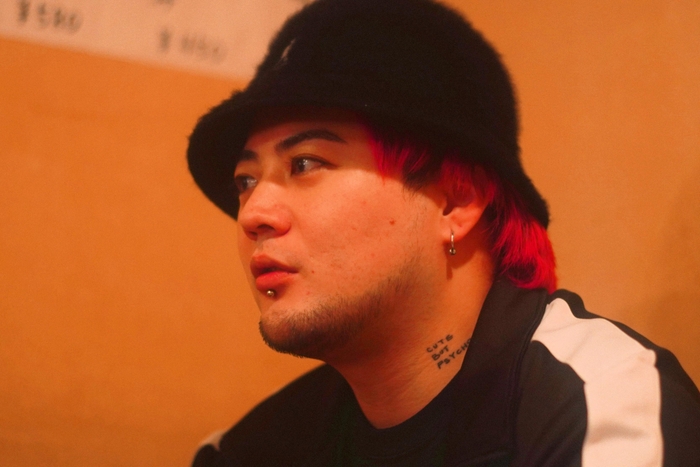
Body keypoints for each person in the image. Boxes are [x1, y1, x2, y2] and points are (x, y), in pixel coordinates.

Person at [186, 0, 700, 465]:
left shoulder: (601, 406)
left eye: (304, 163)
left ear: (455, 202)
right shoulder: (246, 452)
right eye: (245, 181)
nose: (252, 214)